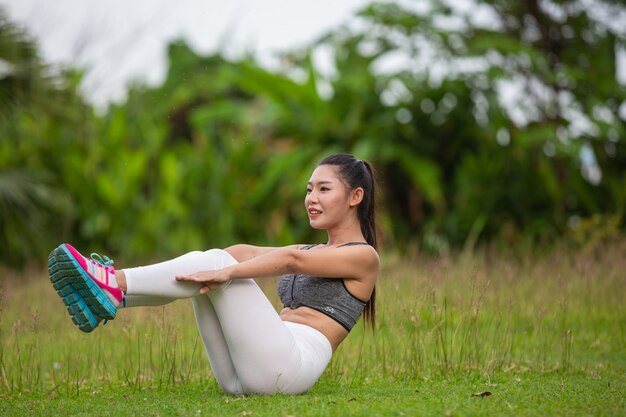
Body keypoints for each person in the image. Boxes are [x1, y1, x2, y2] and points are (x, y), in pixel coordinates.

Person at [47, 153, 380, 395]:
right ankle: (112, 296)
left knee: (220, 267)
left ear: (355, 196)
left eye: (324, 189)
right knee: (212, 263)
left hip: (289, 368)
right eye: (309, 189)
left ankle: (112, 284)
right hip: (242, 375)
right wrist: (219, 264)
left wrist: (227, 270)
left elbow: (292, 261)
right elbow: (245, 252)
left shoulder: (364, 257)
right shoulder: (313, 250)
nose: (311, 198)